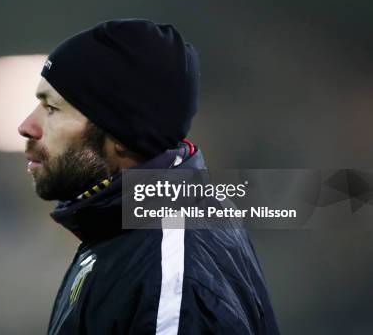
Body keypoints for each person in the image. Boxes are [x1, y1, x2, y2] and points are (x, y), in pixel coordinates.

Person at [18, 19, 280, 335]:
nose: (26, 126)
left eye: (52, 108)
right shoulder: (129, 228)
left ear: (121, 134)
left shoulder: (171, 274)